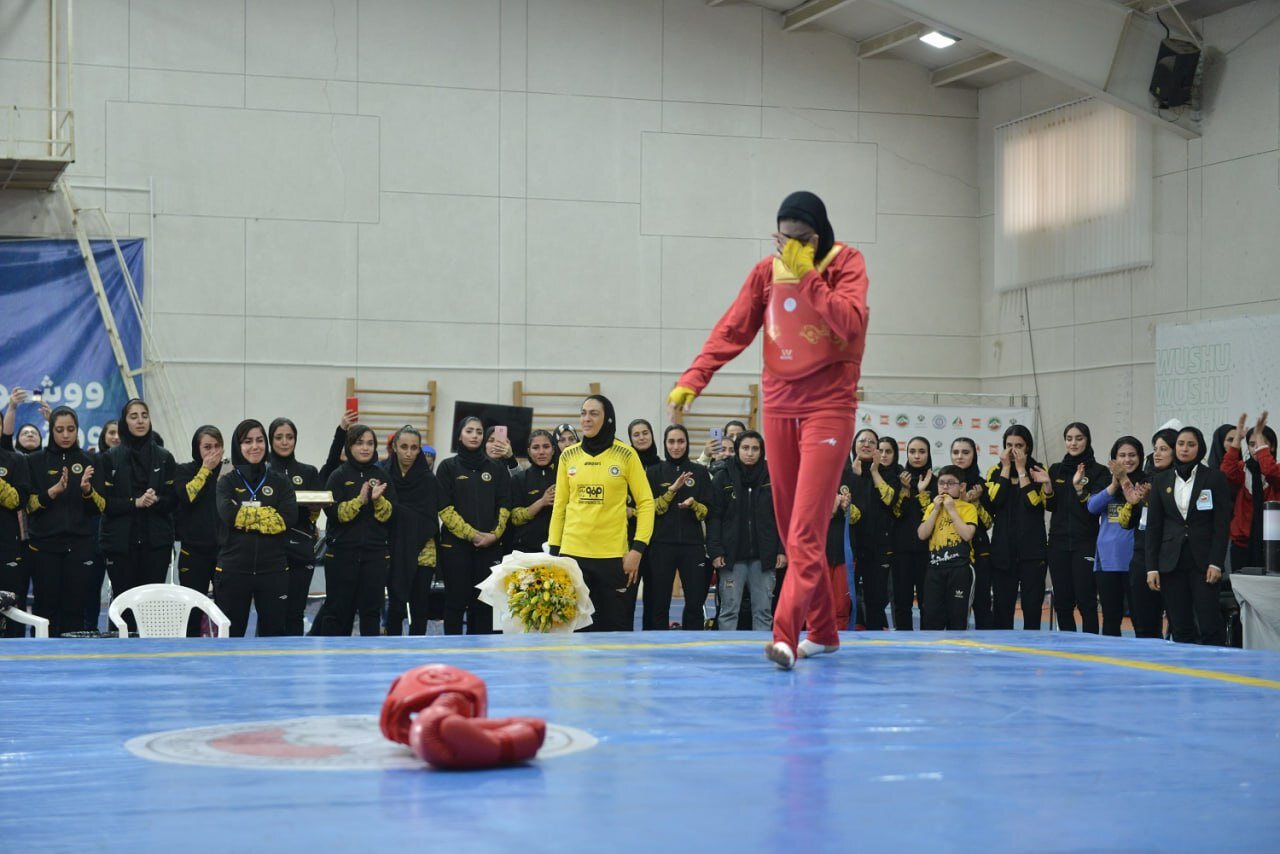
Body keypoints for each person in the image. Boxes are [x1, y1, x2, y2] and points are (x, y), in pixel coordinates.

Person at [667, 190, 870, 669]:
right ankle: (822, 632)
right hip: (780, 405)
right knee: (791, 529)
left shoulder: (847, 263)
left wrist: (809, 277)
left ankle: (784, 635)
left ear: (818, 237)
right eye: (782, 240)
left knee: (803, 531)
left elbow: (851, 326)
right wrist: (693, 378)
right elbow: (733, 329)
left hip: (828, 407)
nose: (788, 249)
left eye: (800, 241)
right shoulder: (765, 271)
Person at [548, 395, 654, 633]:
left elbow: (646, 503)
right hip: (573, 558)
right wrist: (555, 554)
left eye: (593, 413)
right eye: (583, 413)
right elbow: (560, 508)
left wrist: (637, 549)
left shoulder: (626, 455)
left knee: (616, 632)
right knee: (575, 634)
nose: (586, 419)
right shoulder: (568, 456)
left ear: (607, 419)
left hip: (615, 559)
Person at [1145, 426, 1232, 645]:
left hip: (1203, 562)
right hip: (1170, 562)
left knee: (1209, 622)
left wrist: (1216, 562)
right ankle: (1186, 673)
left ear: (1199, 448)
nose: (1184, 449)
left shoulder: (1214, 478)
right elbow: (1154, 527)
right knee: (1180, 624)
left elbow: (1221, 526)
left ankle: (1216, 673)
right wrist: (1152, 567)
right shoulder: (1161, 480)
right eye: (1181, 444)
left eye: (1190, 444)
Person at [23, 406, 102, 635]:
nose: (65, 435)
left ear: (77, 430)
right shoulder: (35, 461)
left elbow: (100, 507)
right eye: (60, 430)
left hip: (80, 546)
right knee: (45, 607)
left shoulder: (90, 460)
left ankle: (73, 663)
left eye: (70, 429)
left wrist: (87, 491)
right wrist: (53, 492)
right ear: (51, 430)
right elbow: (28, 505)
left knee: (75, 607)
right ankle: (42, 661)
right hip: (44, 546)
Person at [213, 419, 296, 637]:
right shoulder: (226, 482)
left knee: (274, 637)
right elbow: (228, 515)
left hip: (273, 570)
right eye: (247, 441)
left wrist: (243, 515)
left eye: (260, 440)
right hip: (234, 569)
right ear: (238, 446)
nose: (255, 446)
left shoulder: (280, 482)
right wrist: (269, 514)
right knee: (231, 637)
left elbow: (287, 519)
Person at [95, 399, 177, 615]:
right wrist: (135, 503)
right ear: (125, 421)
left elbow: (174, 501)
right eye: (134, 416)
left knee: (152, 607)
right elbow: (104, 503)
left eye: (144, 415)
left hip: (156, 543)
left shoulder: (165, 457)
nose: (140, 421)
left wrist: (156, 500)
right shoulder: (110, 458)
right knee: (124, 605)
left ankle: (151, 648)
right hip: (120, 544)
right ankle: (120, 648)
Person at [436, 416, 510, 635]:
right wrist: (473, 535)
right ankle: (454, 656)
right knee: (455, 604)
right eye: (470, 431)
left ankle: (482, 658)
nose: (475, 435)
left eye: (479, 432)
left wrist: (494, 535)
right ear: (459, 435)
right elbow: (445, 509)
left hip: (490, 548)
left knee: (484, 605)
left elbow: (505, 505)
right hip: (456, 549)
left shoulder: (496, 468)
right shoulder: (447, 467)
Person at [323, 425, 396, 636]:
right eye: (359, 442)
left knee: (371, 612)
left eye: (370, 443)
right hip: (341, 555)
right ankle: (335, 662)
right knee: (338, 612)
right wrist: (360, 501)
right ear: (349, 446)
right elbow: (335, 515)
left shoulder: (382, 475)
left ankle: (370, 665)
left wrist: (378, 500)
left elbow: (389, 516)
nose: (365, 448)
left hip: (374, 555)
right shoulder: (338, 475)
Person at [706, 430, 783, 631]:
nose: (750, 453)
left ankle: (763, 658)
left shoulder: (773, 477)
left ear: (762, 451)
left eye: (755, 448)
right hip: (731, 558)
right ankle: (727, 655)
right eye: (745, 448)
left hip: (764, 558)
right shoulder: (722, 477)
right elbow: (713, 517)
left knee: (764, 612)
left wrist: (782, 549)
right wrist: (715, 551)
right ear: (737, 450)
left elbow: (783, 517)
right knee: (729, 611)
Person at [645, 424, 712, 630]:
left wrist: (694, 505)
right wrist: (671, 491)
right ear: (664, 444)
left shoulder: (700, 472)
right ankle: (657, 649)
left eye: (680, 441)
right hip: (660, 545)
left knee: (694, 603)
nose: (676, 446)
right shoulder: (654, 472)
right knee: (659, 604)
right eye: (671, 442)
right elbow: (649, 509)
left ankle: (692, 648)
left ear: (687, 443)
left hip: (693, 546)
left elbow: (708, 511)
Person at [1045, 422, 1110, 633]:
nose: (1073, 443)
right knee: (1063, 603)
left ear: (1087, 440)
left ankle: (1090, 648)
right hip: (1057, 543)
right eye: (1069, 438)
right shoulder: (1055, 470)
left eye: (1079, 438)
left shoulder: (1100, 472)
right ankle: (1067, 648)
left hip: (1086, 542)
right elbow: (1050, 506)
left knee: (1086, 601)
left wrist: (1079, 487)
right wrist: (1047, 488)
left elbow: (1096, 507)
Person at [984, 424, 1050, 630]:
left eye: (1019, 445)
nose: (1013, 451)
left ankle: (1031, 650)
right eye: (1009, 445)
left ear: (1028, 447)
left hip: (1033, 549)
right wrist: (1006, 468)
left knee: (1032, 607)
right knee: (1003, 607)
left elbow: (1034, 504)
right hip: (1003, 548)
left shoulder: (1038, 470)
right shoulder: (994, 471)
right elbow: (995, 500)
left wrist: (1022, 470)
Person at [267, 418, 324, 636]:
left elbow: (315, 511)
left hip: (301, 549)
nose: (284, 442)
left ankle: (294, 664)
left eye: (289, 437)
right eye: (279, 437)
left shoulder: (308, 472)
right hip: (270, 551)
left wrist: (313, 514)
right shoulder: (261, 471)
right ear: (271, 440)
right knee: (271, 612)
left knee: (295, 612)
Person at [383, 425, 439, 636]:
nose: (408, 453)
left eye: (414, 448)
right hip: (393, 546)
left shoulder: (428, 480)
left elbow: (430, 517)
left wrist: (400, 512)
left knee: (420, 605)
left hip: (424, 548)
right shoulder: (383, 474)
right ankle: (393, 651)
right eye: (404, 446)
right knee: (396, 606)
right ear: (395, 447)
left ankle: (419, 653)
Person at [1086, 436, 1145, 637]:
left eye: (1132, 455)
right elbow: (1092, 507)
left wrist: (1125, 481)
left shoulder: (1147, 481)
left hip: (1137, 560)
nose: (1127, 459)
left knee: (1140, 617)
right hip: (1108, 560)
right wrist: (1114, 484)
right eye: (1122, 455)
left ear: (1140, 457)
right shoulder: (1105, 480)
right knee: (1111, 619)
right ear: (1114, 459)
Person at [173, 425, 224, 636]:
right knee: (192, 612)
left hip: (224, 552)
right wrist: (206, 470)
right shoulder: (184, 470)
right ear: (197, 449)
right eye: (206, 447)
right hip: (193, 552)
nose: (212, 452)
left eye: (216, 447)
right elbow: (186, 497)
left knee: (226, 611)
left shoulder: (230, 473)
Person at [1125, 429, 1175, 639]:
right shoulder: (1145, 480)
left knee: (1179, 622)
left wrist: (1151, 501)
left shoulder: (1179, 481)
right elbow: (1126, 523)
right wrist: (1133, 502)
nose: (1157, 454)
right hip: (1142, 554)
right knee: (1142, 621)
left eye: (1163, 449)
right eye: (1155, 449)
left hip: (1171, 556)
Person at [916, 465, 977, 630]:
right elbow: (922, 534)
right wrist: (936, 510)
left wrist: (951, 509)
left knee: (957, 617)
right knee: (931, 616)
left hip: (960, 569)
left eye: (951, 483)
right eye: (941, 483)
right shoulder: (931, 507)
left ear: (962, 487)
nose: (944, 487)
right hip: (935, 569)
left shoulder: (968, 508)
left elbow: (967, 535)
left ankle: (957, 654)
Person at [1220, 411, 1278, 572]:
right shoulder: (1242, 468)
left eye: (1260, 443)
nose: (1255, 449)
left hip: (1272, 544)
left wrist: (1260, 441)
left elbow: (1269, 471)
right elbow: (1225, 472)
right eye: (1252, 444)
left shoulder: (1276, 470)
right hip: (1242, 543)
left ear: (1271, 447)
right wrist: (1237, 439)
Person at [848, 430, 894, 630]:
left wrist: (874, 471)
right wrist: (855, 478)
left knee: (876, 600)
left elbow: (889, 499)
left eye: (871, 442)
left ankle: (875, 640)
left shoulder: (888, 473)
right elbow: (850, 511)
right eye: (862, 441)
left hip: (878, 547)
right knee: (847, 599)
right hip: (850, 547)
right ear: (854, 445)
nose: (866, 444)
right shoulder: (846, 472)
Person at [891, 437, 934, 630]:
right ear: (906, 453)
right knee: (902, 602)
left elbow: (933, 515)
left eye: (922, 451)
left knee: (928, 602)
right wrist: (906, 489)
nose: (917, 456)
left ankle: (927, 642)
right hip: (901, 550)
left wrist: (922, 491)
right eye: (912, 451)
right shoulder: (898, 477)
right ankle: (902, 641)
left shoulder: (937, 480)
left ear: (929, 454)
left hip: (929, 550)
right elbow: (897, 513)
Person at [951, 437, 994, 629]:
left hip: (979, 552)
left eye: (965, 452)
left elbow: (987, 522)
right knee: (954, 608)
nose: (960, 457)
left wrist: (975, 502)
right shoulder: (944, 482)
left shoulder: (981, 485)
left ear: (974, 455)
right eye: (956, 452)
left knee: (982, 604)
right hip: (950, 553)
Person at [623, 418, 662, 631]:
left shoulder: (662, 466)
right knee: (627, 598)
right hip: (630, 542)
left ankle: (654, 648)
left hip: (657, 542)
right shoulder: (625, 465)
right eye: (636, 434)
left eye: (645, 432)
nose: (641, 437)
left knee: (655, 600)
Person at [509, 429, 557, 555]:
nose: (541, 452)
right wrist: (542, 502)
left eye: (546, 447)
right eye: (536, 447)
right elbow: (515, 518)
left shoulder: (563, 477)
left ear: (553, 449)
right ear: (529, 451)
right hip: (526, 550)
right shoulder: (519, 479)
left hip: (557, 549)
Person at [0, 441, 31, 637]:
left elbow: (18, 500)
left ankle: (18, 661)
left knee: (12, 610)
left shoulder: (15, 459)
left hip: (7, 545)